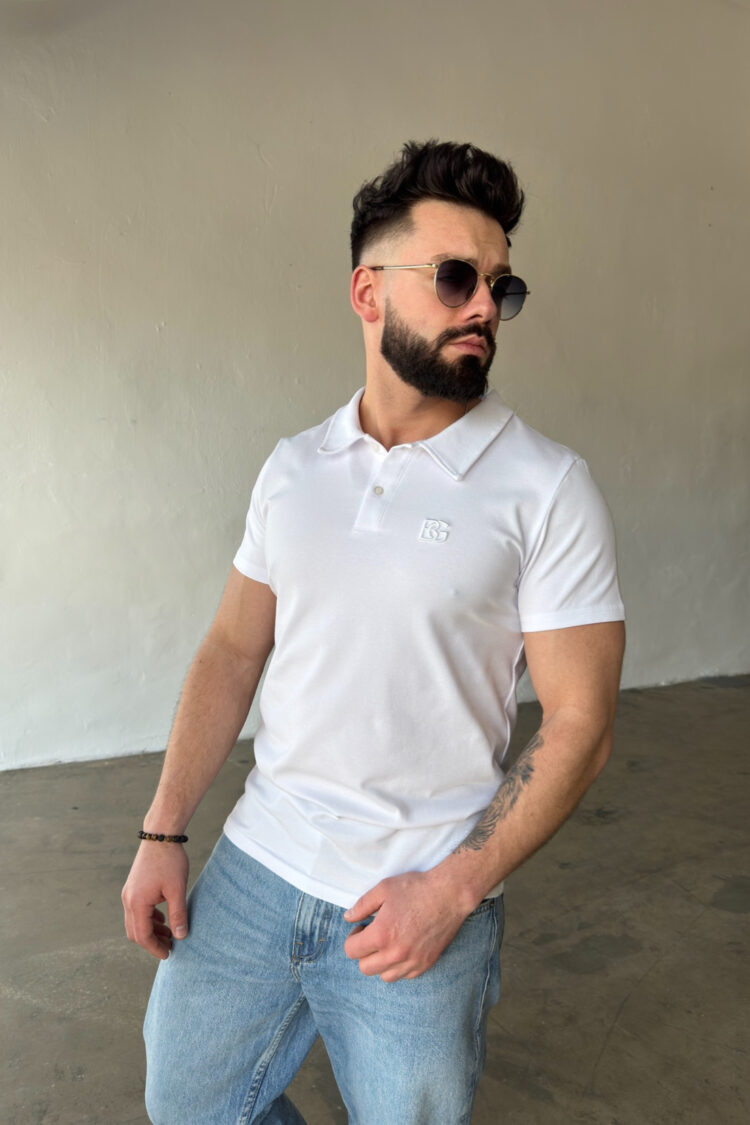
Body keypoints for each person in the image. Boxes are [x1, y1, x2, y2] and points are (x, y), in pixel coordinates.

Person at [122, 139, 626, 1125]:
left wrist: (452, 892)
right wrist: (164, 828)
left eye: (501, 287)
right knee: (187, 1106)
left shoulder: (548, 488)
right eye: (455, 277)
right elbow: (232, 651)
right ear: (368, 292)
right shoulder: (295, 467)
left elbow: (582, 724)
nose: (485, 307)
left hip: (423, 892)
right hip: (260, 865)